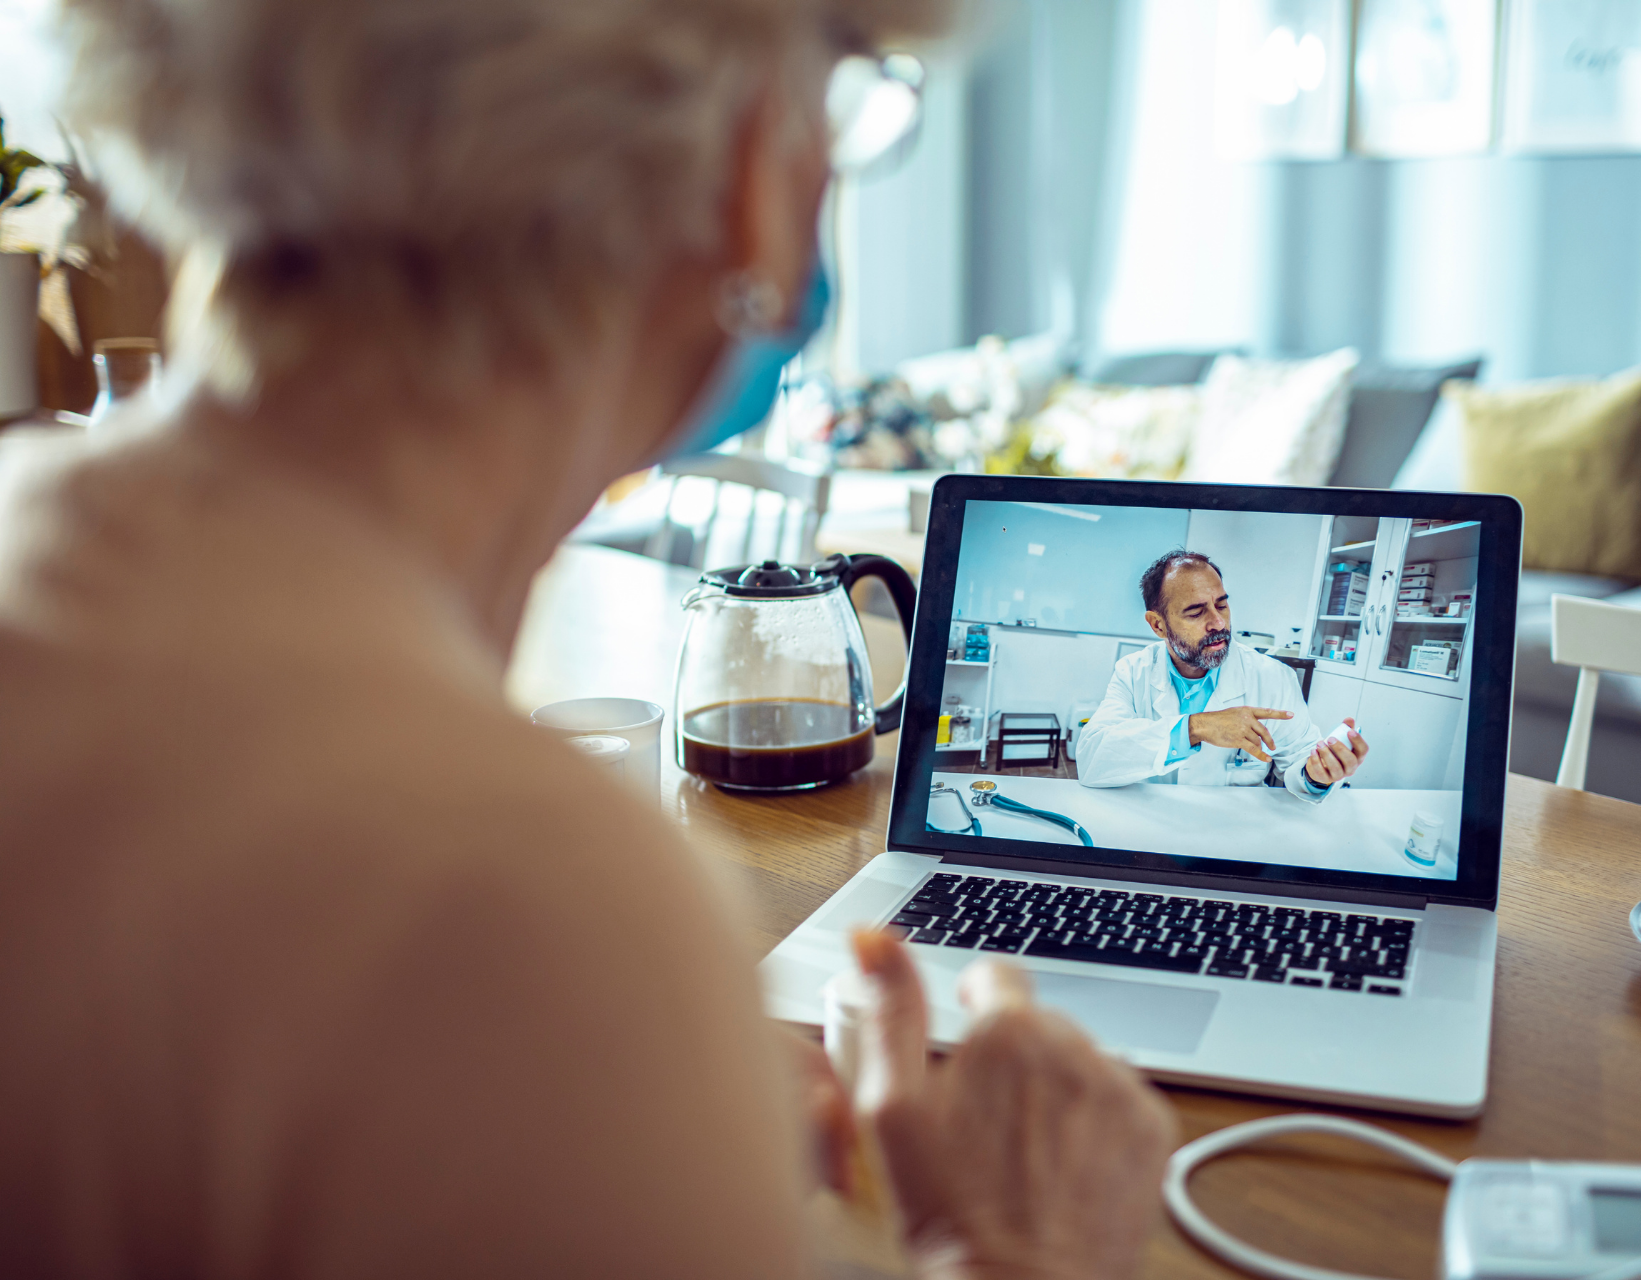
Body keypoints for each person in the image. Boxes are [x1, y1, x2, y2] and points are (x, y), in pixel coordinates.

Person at [0, 0, 1175, 1275]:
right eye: (841, 86)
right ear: (751, 164)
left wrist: (626, 1124)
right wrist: (1009, 1248)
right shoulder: (515, 897)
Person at [1077, 551, 1369, 793]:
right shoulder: (1132, 672)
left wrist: (1317, 775)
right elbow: (1092, 760)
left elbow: (1299, 764)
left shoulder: (1272, 677)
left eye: (1222, 605)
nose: (1218, 623)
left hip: (1235, 837)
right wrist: (1196, 727)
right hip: (1150, 829)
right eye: (1195, 612)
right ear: (1158, 625)